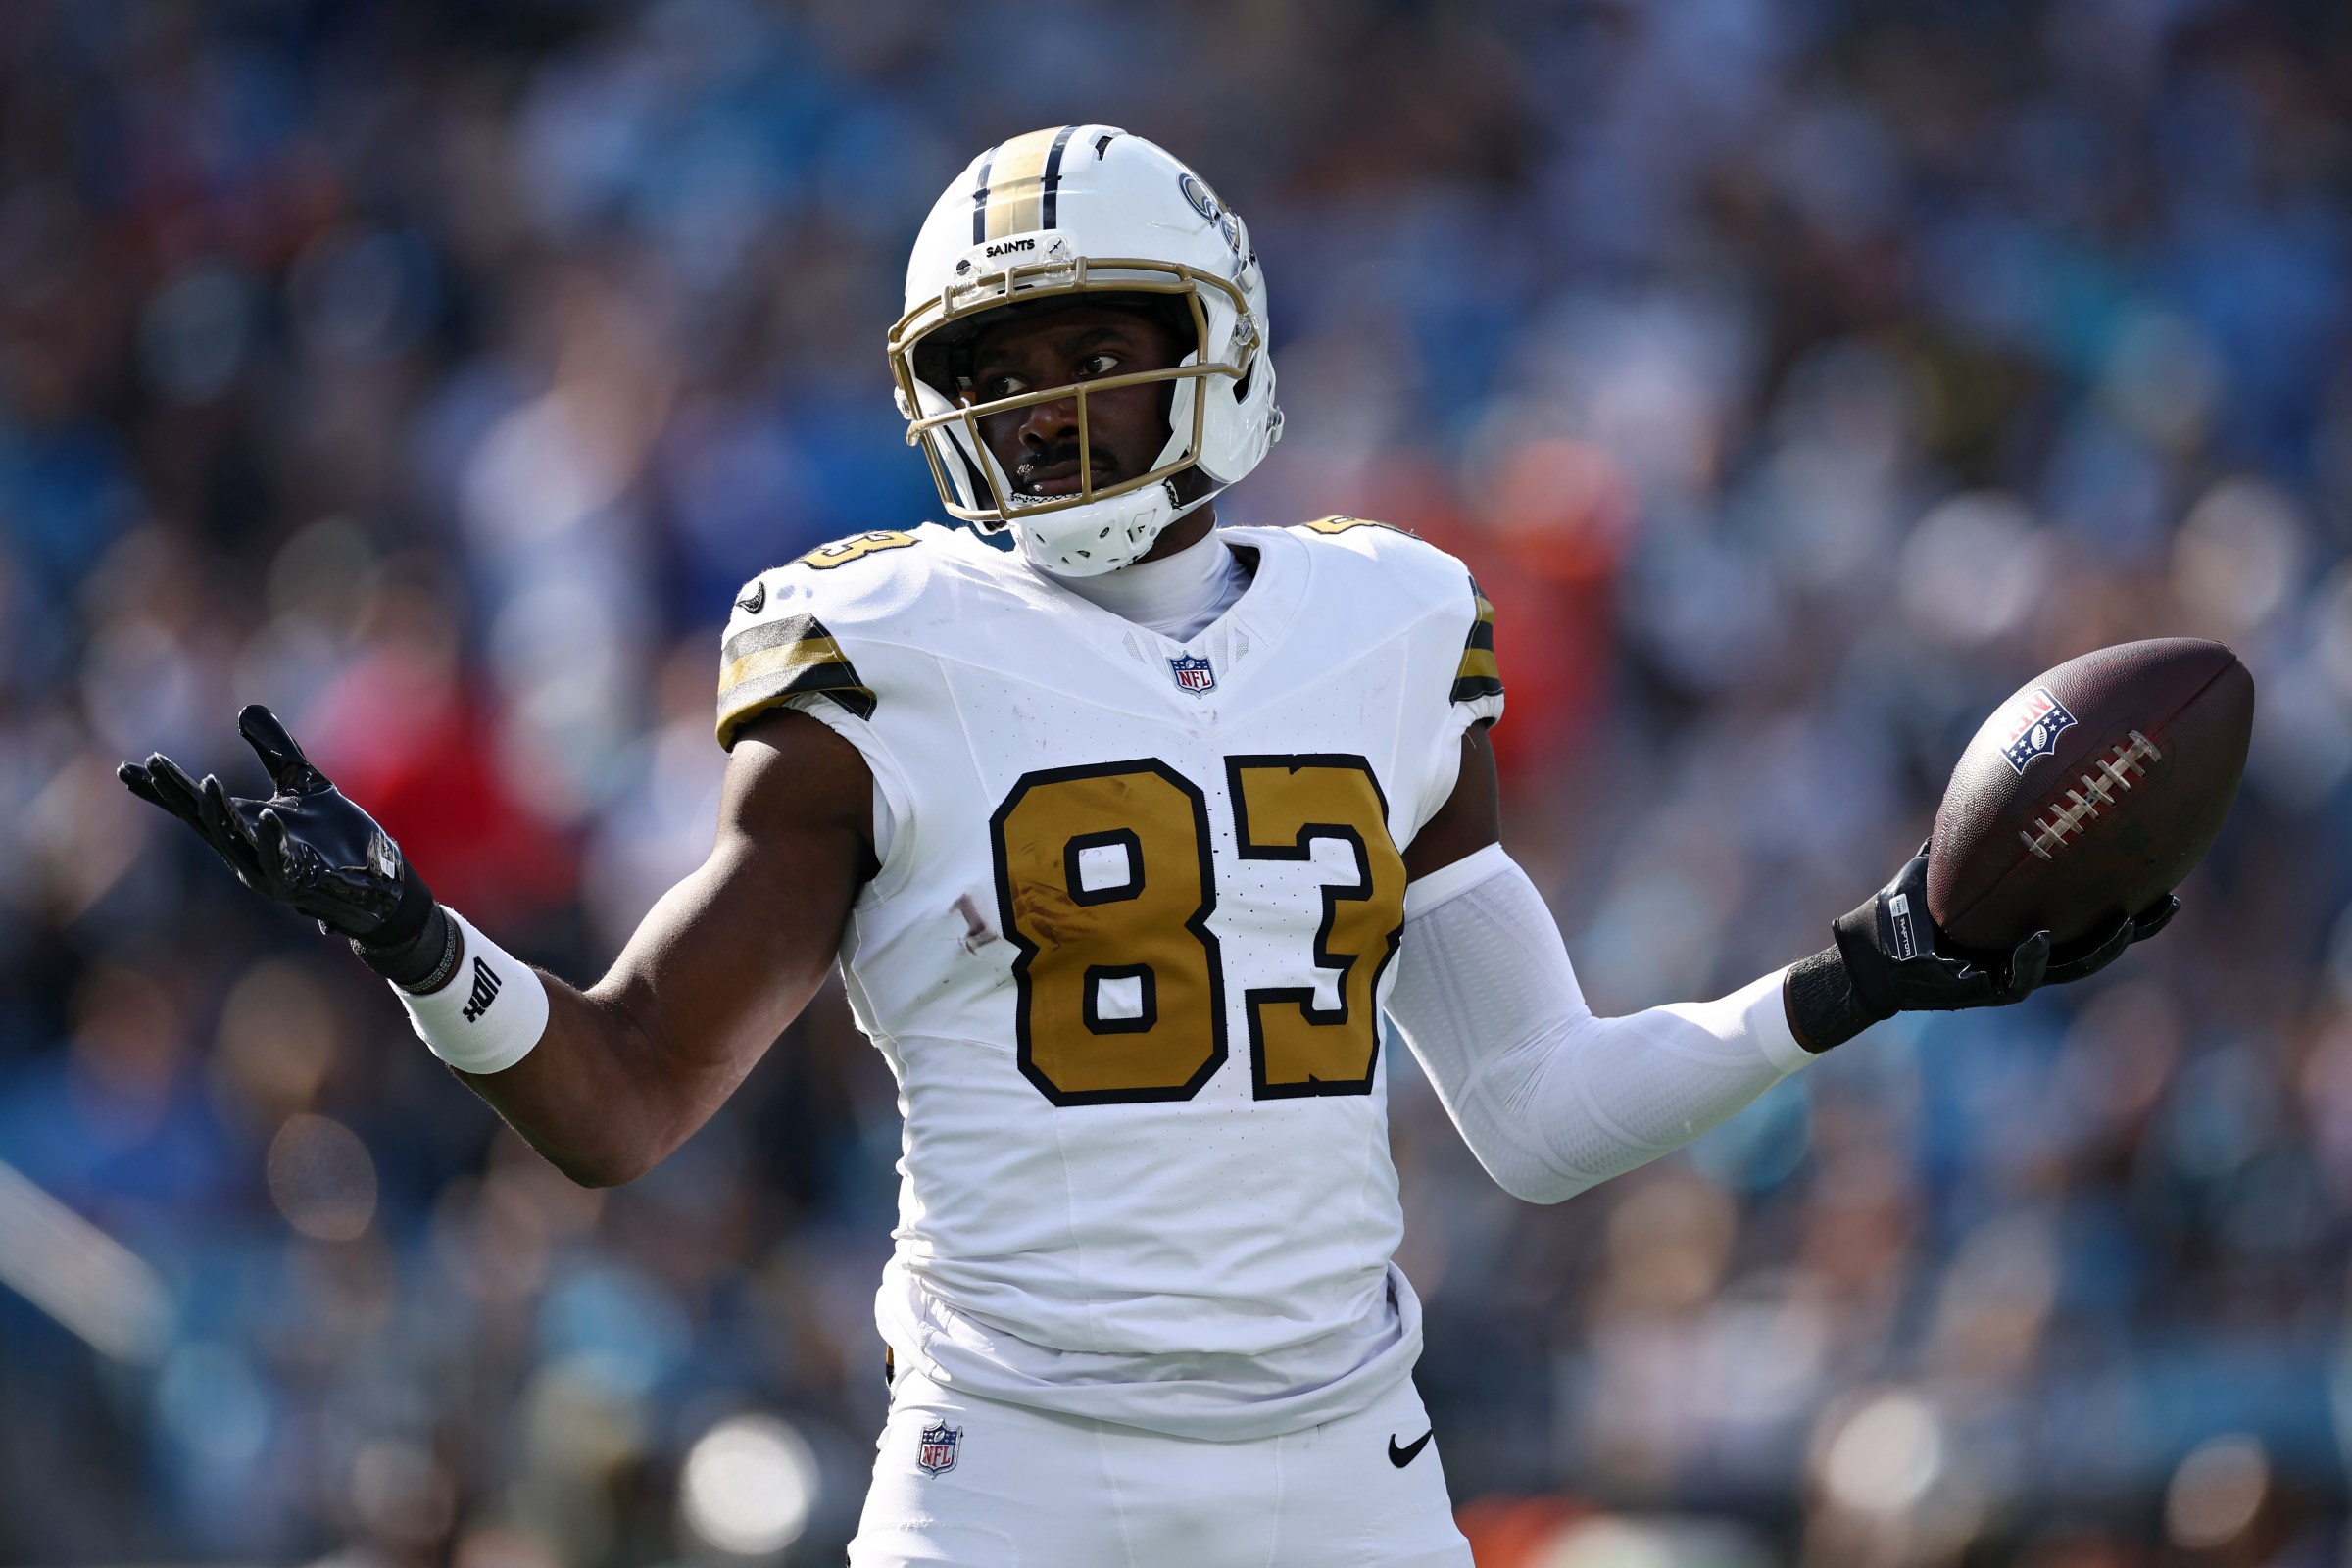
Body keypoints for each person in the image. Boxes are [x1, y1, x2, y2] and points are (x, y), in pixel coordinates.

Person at [118, 126, 2176, 1566]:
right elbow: (625, 1094)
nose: (1046, 410)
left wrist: (1872, 959)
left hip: (1340, 1467)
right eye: (993, 374)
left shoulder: (1388, 626)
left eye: (1091, 345)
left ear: (1219, 341)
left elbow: (1534, 1110)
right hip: (1004, 1472)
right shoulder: (877, 645)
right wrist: (421, 942)